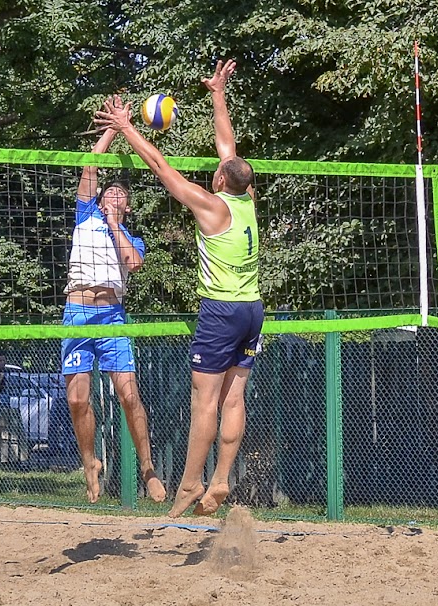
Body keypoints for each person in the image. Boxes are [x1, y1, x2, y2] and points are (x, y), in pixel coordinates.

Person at [95, 59, 263, 517]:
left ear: (223, 179)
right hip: (253, 310)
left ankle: (189, 485)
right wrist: (217, 93)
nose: (217, 168)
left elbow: (159, 165)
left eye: (220, 169)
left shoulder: (213, 206)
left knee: (203, 400)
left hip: (222, 313)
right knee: (234, 398)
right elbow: (227, 145)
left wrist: (127, 126)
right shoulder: (248, 200)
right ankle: (222, 480)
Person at [61, 119, 166, 504]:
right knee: (77, 399)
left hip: (111, 317)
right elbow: (91, 165)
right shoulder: (84, 215)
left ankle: (147, 467)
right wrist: (114, 129)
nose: (116, 196)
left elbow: (133, 263)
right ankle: (90, 463)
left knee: (128, 394)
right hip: (76, 313)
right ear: (99, 200)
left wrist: (115, 223)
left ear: (127, 207)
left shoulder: (129, 236)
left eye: (122, 196)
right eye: (110, 194)